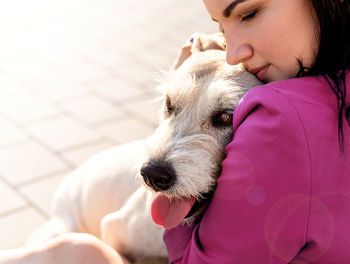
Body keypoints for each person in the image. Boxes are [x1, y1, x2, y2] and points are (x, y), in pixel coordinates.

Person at [0, 0, 349, 263]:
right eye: (170, 105)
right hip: (77, 214)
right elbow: (115, 232)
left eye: (223, 119)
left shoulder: (281, 115)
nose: (234, 50)